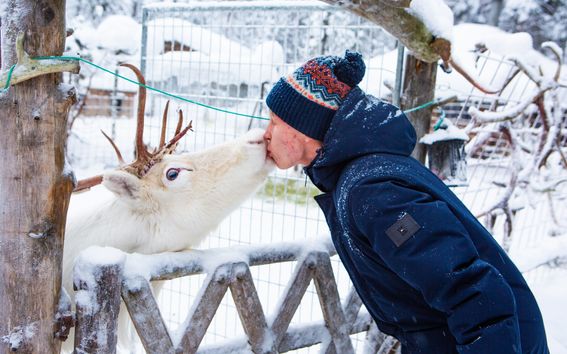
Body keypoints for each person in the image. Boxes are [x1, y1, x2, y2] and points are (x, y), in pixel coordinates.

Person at [263, 50, 549, 354]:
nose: (265, 134)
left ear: (302, 130)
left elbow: (471, 291)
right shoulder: (361, 176)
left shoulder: (373, 192)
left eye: (273, 122)